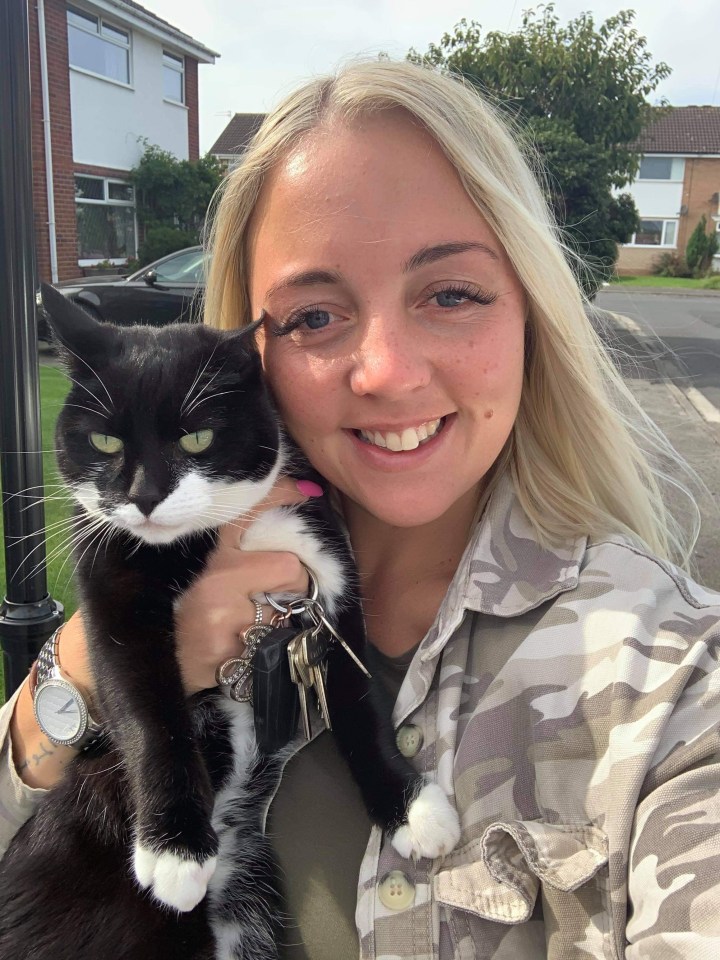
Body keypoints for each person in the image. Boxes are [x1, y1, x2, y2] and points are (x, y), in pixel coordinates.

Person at [1, 58, 719, 959]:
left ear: (533, 313)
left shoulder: (675, 682)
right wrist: (71, 684)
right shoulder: (172, 550)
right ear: (244, 354)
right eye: (311, 317)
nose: (385, 372)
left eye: (450, 294)